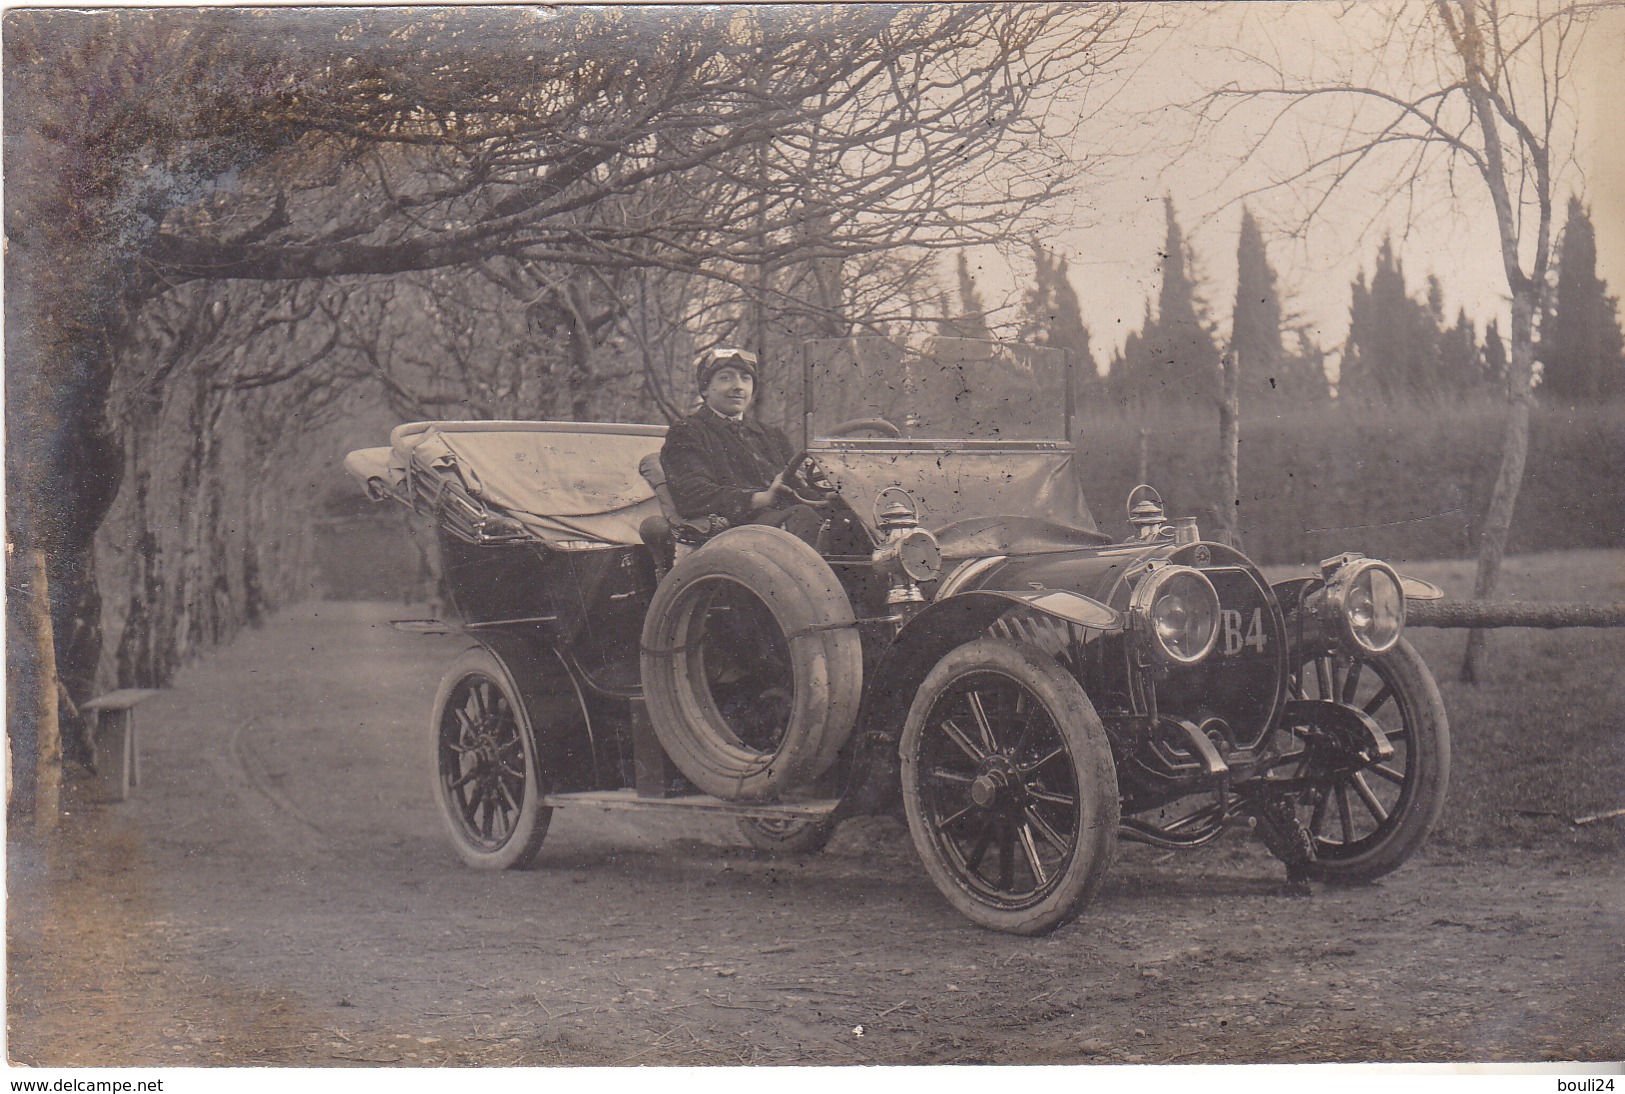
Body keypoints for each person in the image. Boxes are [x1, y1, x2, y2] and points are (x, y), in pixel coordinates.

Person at [658, 347, 823, 545]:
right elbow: (693, 496)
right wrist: (761, 498)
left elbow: (796, 487)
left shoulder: (772, 435)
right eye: (726, 378)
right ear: (705, 389)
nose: (738, 387)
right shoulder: (687, 431)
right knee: (803, 517)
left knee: (847, 518)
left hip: (782, 523)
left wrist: (831, 496)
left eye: (746, 379)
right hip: (732, 531)